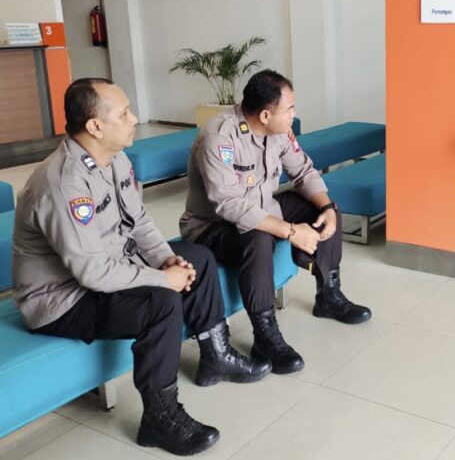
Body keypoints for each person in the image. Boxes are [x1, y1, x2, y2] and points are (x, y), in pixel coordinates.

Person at [12, 78, 271, 457]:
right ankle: (159, 419)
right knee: (159, 302)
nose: (134, 119)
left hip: (106, 269)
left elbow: (139, 223)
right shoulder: (64, 184)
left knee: (197, 257)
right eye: (124, 113)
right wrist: (163, 278)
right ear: (95, 126)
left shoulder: (114, 159)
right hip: (61, 300)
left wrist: (166, 258)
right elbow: (92, 273)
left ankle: (215, 356)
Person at [180, 69, 371, 375]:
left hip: (262, 209)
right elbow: (228, 204)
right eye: (289, 109)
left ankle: (329, 295)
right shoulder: (219, 138)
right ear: (266, 115)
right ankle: (265, 335)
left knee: (324, 207)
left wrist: (326, 208)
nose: (294, 114)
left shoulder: (279, 131)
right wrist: (291, 232)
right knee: (257, 238)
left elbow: (303, 172)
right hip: (212, 226)